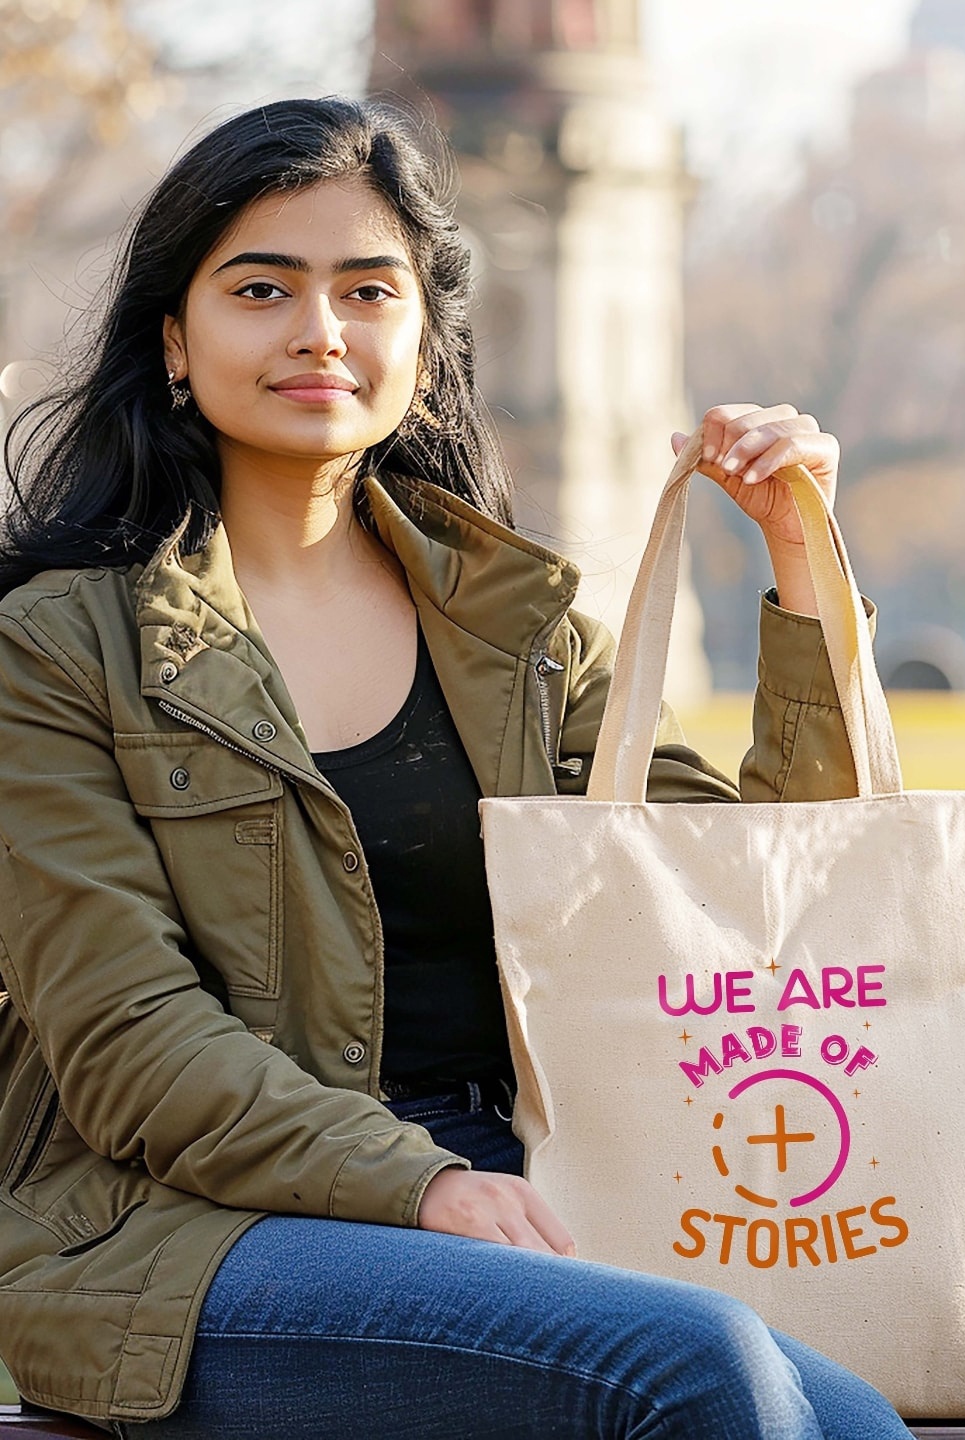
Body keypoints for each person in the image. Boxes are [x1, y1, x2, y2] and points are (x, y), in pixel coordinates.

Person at [0, 97, 913, 1439]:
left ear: (424, 348)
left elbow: (743, 909)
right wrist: (423, 1187)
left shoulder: (521, 635)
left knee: (844, 1419)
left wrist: (798, 563)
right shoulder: (56, 649)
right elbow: (134, 1046)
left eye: (368, 291)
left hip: (517, 1205)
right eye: (263, 289)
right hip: (180, 1248)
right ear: (177, 348)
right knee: (703, 1372)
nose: (321, 329)